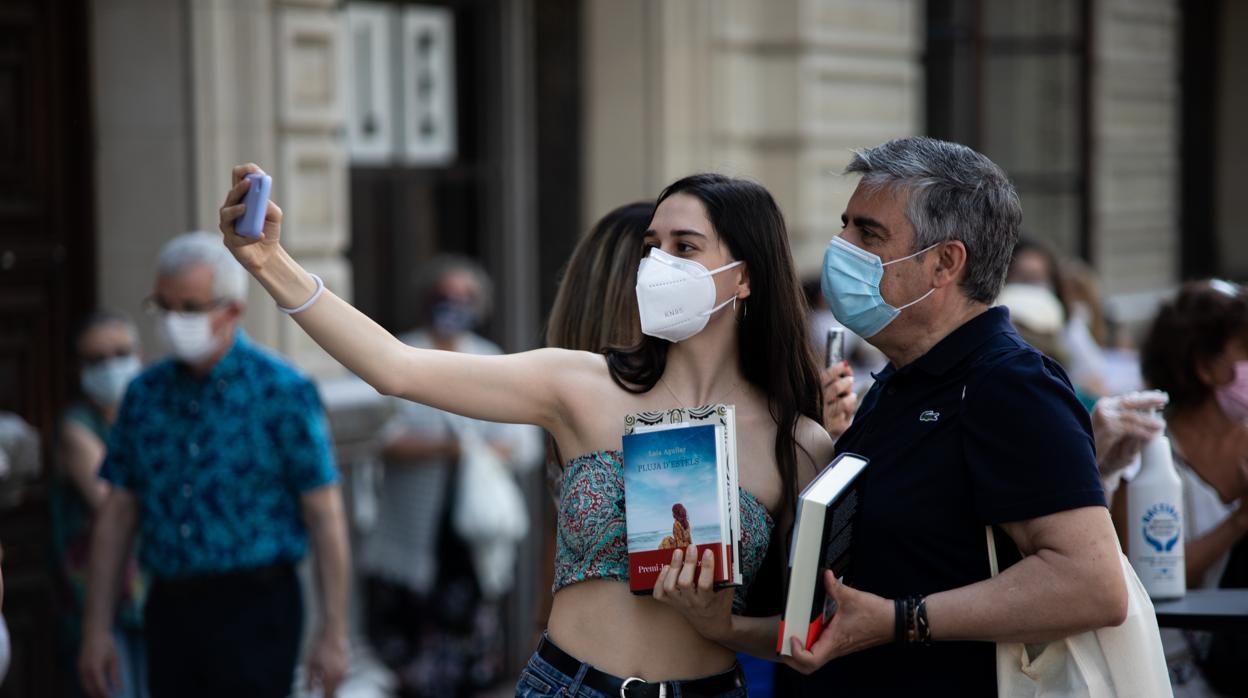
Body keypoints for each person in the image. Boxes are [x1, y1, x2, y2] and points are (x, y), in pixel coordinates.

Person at [219, 166, 834, 697]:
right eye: (653, 245)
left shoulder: (800, 444)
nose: (658, 264)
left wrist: (721, 622)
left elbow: (807, 632)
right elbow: (395, 368)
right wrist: (271, 263)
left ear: (745, 277)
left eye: (685, 246)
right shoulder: (579, 382)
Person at [785, 137, 1127, 694]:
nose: (839, 246)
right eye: (844, 225)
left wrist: (903, 620)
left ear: (945, 263)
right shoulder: (902, 376)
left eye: (868, 233)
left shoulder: (1010, 385)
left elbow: (1090, 583)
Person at [78, 232, 351, 698]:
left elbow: (324, 515)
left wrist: (334, 632)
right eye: (163, 305)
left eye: (190, 307)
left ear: (232, 311)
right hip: (169, 602)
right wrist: (96, 628)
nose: (173, 320)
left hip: (257, 606)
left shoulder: (281, 391)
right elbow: (118, 512)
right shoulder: (144, 395)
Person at [359, 255, 540, 697]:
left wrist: (465, 450)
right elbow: (377, 437)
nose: (452, 305)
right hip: (409, 536)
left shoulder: (490, 359)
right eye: (443, 295)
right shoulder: (399, 353)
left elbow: (522, 443)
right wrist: (453, 447)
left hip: (470, 538)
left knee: (467, 660)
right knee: (406, 662)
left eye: (464, 297)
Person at [1130, 279, 1248, 693]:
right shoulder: (1147, 453)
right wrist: (1239, 522)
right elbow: (1148, 576)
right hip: (1168, 672)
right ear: (1204, 365)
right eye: (1246, 351)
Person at [52, 311, 148, 698]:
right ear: (79, 368)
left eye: (121, 353)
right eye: (97, 359)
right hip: (101, 602)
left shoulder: (147, 413)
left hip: (155, 594)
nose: (112, 367)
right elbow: (109, 500)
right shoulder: (77, 425)